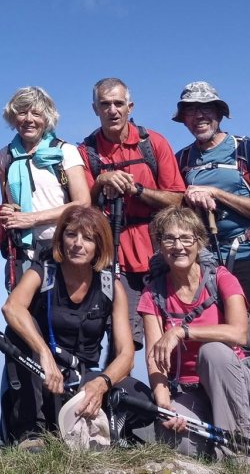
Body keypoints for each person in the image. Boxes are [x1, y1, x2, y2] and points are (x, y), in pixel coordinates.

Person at [171, 81, 250, 455]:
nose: (200, 115)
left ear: (220, 112)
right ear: (185, 119)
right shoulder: (182, 160)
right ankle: (222, 438)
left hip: (247, 258)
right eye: (192, 111)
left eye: (207, 108)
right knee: (209, 349)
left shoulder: (246, 150)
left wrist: (218, 195)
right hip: (202, 265)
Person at [1, 205, 151, 449]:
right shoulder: (44, 271)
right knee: (17, 332)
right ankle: (31, 434)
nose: (78, 244)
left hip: (82, 378)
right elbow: (12, 308)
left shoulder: (110, 286)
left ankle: (106, 429)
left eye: (88, 238)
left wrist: (100, 384)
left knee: (141, 398)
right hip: (42, 377)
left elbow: (126, 354)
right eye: (71, 235)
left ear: (99, 246)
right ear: (61, 238)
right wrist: (44, 355)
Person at [0, 86, 90, 444]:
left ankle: (61, 420)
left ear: (47, 116)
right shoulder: (6, 156)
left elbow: (82, 204)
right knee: (21, 333)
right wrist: (12, 216)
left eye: (35, 113)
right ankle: (27, 427)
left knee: (61, 333)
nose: (28, 119)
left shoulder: (66, 152)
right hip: (24, 254)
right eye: (21, 113)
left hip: (63, 251)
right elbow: (9, 205)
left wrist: (31, 219)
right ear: (12, 117)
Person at [139, 207, 250, 459]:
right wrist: (164, 404)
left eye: (186, 238)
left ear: (199, 243)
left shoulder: (221, 278)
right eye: (169, 238)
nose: (178, 246)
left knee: (214, 351)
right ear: (160, 246)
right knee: (173, 437)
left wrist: (183, 331)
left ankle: (238, 458)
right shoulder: (152, 294)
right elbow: (154, 359)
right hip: (190, 391)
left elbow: (239, 333)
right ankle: (214, 440)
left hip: (242, 387)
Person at [79, 78, 185, 347]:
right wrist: (102, 181)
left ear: (130, 106)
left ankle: (168, 389)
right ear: (95, 109)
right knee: (122, 337)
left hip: (159, 252)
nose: (112, 110)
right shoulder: (86, 152)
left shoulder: (153, 143)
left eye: (118, 103)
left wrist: (136, 190)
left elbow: (176, 198)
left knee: (166, 333)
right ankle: (119, 388)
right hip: (114, 255)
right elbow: (82, 208)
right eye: (105, 104)